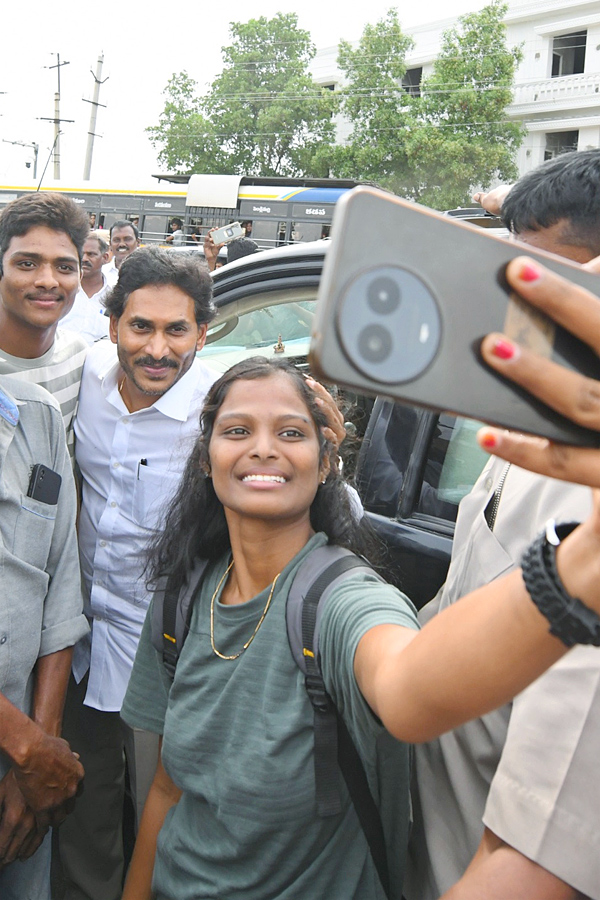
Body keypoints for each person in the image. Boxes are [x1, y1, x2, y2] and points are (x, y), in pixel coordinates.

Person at [120, 313, 600, 900]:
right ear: (206, 457)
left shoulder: (342, 602)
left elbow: (407, 688)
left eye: (292, 433)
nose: (264, 449)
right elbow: (169, 788)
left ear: (326, 464)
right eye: (237, 430)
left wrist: (577, 566)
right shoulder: (183, 598)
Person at [406, 150, 600, 900]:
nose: (513, 301)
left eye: (537, 277)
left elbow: (539, 850)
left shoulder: (583, 493)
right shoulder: (531, 427)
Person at [56, 247, 217, 900]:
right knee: (78, 807)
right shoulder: (85, 375)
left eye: (176, 330)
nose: (156, 348)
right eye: (140, 327)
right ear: (113, 323)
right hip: (78, 642)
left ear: (202, 334)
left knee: (164, 819)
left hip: (170, 657)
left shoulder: (220, 416)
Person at [0, 371, 87, 899]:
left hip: (22, 769)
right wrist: (29, 747)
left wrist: (38, 763)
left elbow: (60, 585)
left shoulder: (38, 416)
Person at [0, 192, 89, 456]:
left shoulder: (80, 359)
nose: (48, 281)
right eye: (27, 264)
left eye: (64, 267)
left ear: (80, 276)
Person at [60, 232, 111, 344]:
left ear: (105, 258)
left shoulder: (113, 295)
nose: (84, 259)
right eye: (81, 254)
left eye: (91, 254)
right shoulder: (62, 290)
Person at [102, 220, 140, 287]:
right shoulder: (101, 273)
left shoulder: (149, 273)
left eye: (127, 239)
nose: (122, 244)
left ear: (138, 242)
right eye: (117, 240)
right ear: (110, 244)